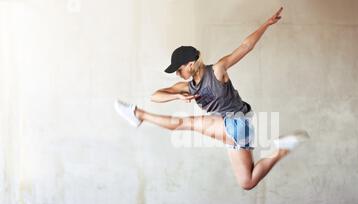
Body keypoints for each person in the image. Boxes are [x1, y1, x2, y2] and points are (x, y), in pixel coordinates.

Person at [115, 7, 309, 191]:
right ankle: (281, 150)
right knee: (247, 181)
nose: (177, 74)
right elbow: (155, 96)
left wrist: (266, 24)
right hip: (241, 129)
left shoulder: (217, 70)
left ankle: (137, 113)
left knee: (184, 123)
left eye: (179, 69)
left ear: (191, 64)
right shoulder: (187, 87)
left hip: (234, 123)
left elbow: (245, 46)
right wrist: (176, 97)